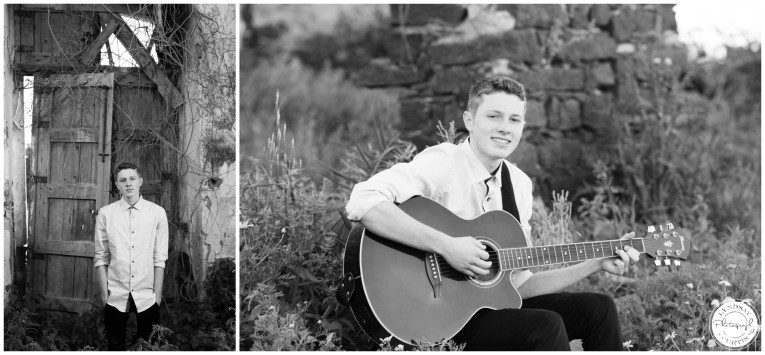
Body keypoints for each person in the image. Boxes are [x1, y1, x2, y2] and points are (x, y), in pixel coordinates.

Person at [345, 75, 640, 350]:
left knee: (598, 309)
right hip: (435, 313)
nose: (505, 127)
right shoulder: (444, 163)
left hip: (482, 309)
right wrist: (446, 246)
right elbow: (363, 201)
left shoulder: (518, 184)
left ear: (523, 126)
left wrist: (596, 263)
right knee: (545, 326)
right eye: (494, 116)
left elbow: (516, 286)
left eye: (514, 119)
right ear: (469, 120)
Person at [94, 162, 169, 350]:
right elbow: (101, 256)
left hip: (147, 293)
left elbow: (160, 257)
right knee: (115, 346)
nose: (128, 184)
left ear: (140, 181)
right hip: (115, 292)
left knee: (148, 346)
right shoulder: (105, 214)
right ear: (117, 185)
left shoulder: (157, 213)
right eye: (123, 180)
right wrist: (105, 295)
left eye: (132, 179)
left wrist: (157, 296)